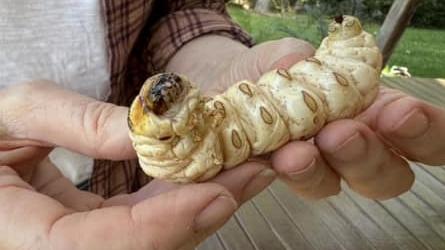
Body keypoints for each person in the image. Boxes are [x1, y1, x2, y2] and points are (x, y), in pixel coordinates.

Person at [0, 0, 444, 249]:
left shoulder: (189, 131)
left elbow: (178, 9)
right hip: (134, 195)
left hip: (140, 201)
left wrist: (221, 65)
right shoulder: (181, 141)